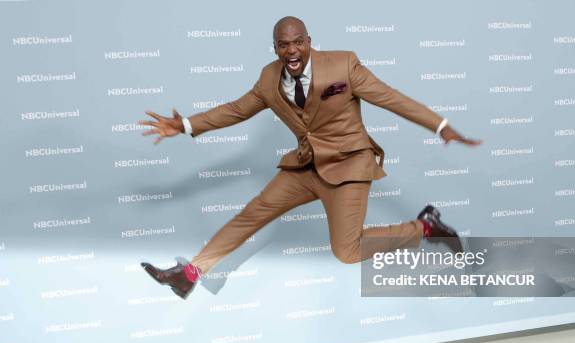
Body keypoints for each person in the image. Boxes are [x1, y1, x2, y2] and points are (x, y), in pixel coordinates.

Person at [139, 16, 482, 300]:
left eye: (297, 42)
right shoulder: (269, 77)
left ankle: (424, 227)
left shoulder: (343, 64)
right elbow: (236, 110)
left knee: (347, 252)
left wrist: (440, 127)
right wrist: (184, 125)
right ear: (275, 48)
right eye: (283, 45)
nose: (291, 50)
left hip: (348, 166)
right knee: (252, 214)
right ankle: (190, 274)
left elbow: (390, 98)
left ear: (309, 41)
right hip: (306, 166)